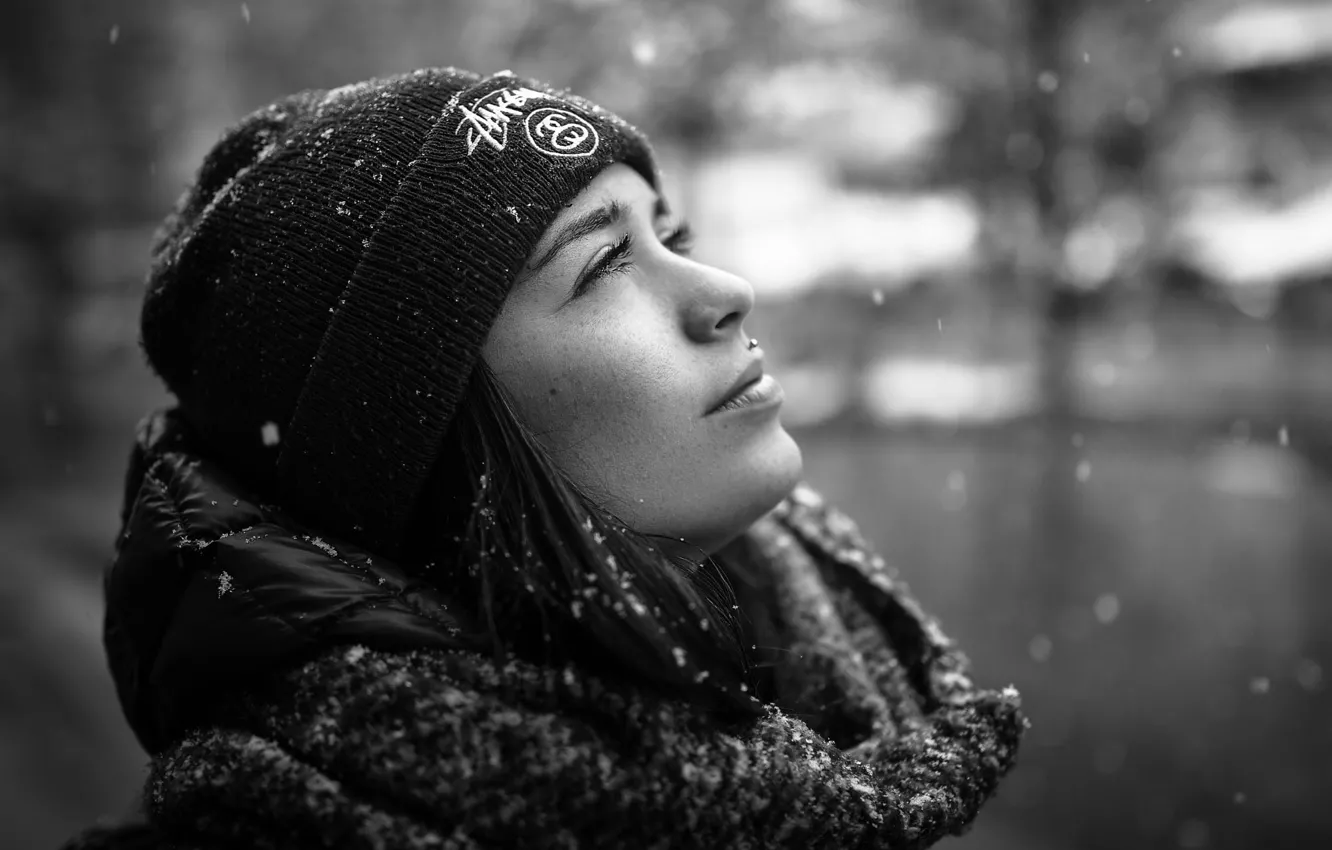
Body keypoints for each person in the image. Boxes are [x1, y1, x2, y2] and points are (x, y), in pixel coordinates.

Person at [61, 68, 1025, 850]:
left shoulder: (818, 687)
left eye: (672, 235)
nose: (727, 290)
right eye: (605, 265)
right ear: (425, 439)